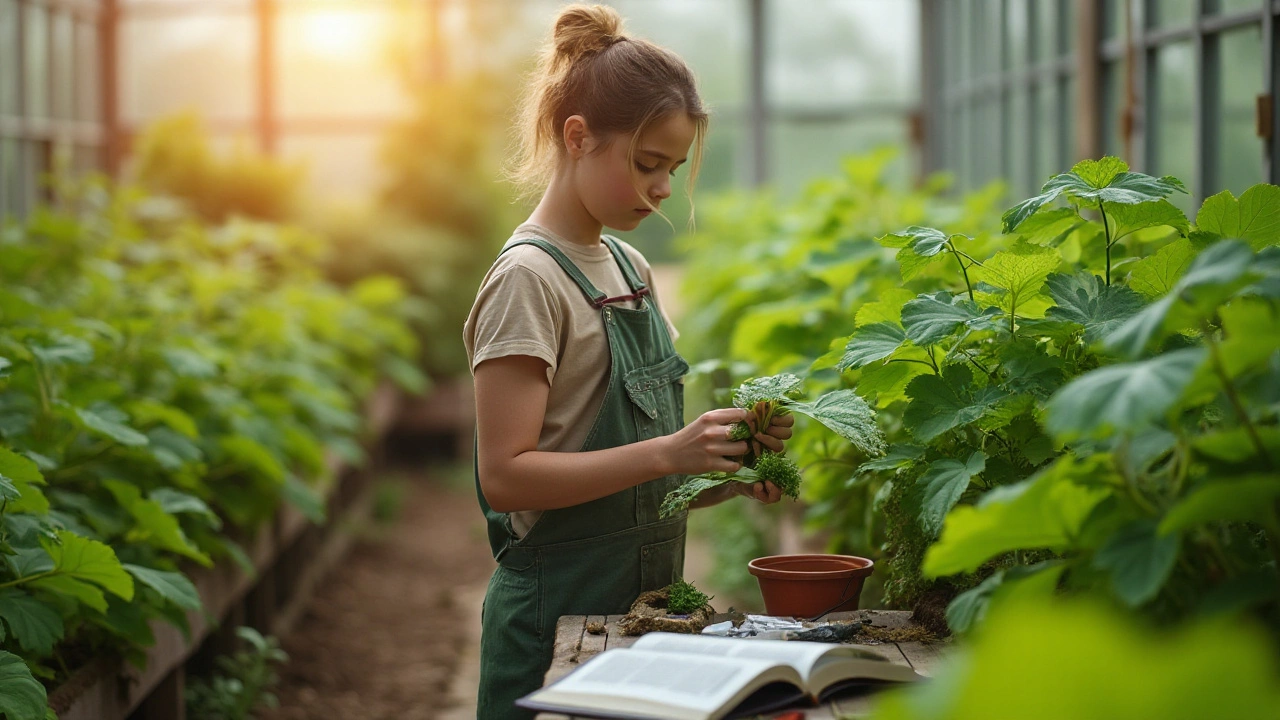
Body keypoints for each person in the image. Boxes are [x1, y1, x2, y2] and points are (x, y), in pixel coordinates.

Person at [462, 5, 793, 718]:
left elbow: (637, 482)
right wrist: (670, 453)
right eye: (647, 165)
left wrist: (722, 477)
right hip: (550, 630)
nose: (664, 187)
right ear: (577, 137)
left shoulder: (628, 265)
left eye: (672, 168)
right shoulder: (528, 280)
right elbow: (508, 476)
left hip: (640, 625)